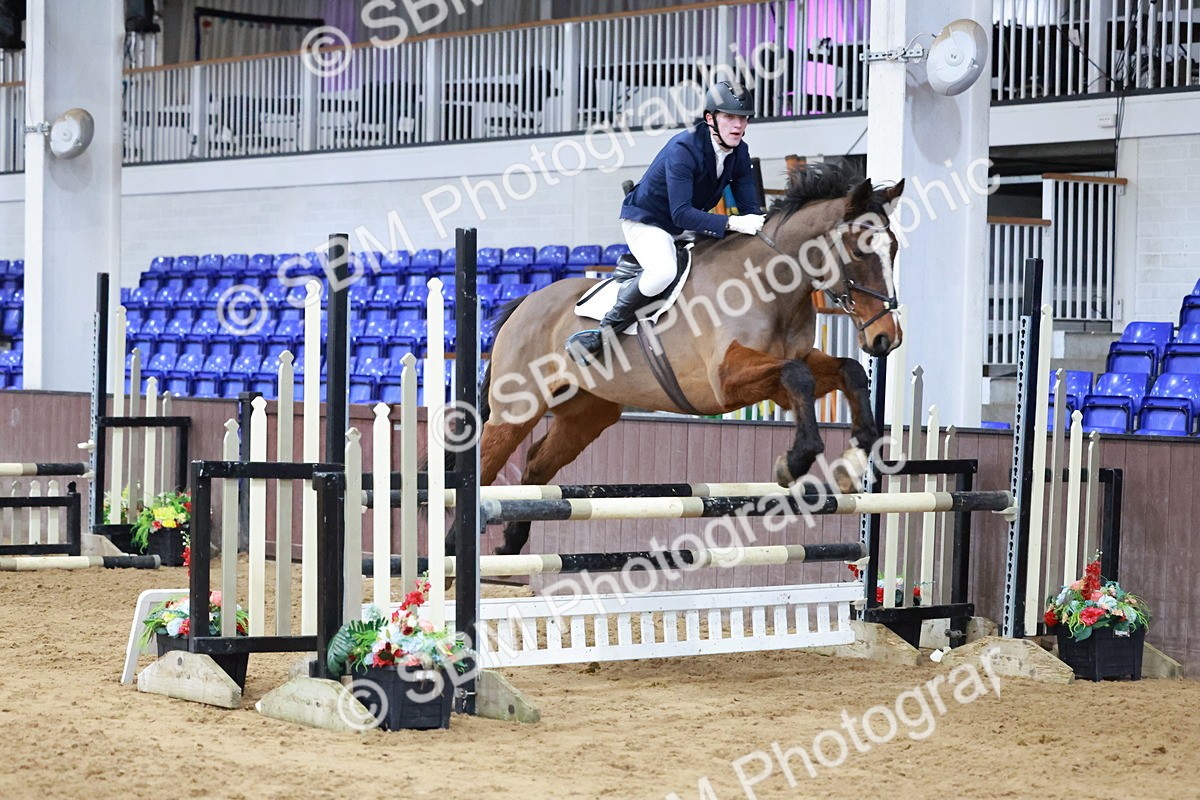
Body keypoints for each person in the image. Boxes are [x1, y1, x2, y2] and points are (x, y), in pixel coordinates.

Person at [568, 81, 767, 363]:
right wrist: (733, 224)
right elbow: (682, 214)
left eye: (743, 118)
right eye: (730, 117)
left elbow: (751, 212)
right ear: (710, 119)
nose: (738, 125)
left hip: (683, 227)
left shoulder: (739, 152)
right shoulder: (684, 149)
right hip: (648, 221)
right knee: (662, 271)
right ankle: (605, 330)